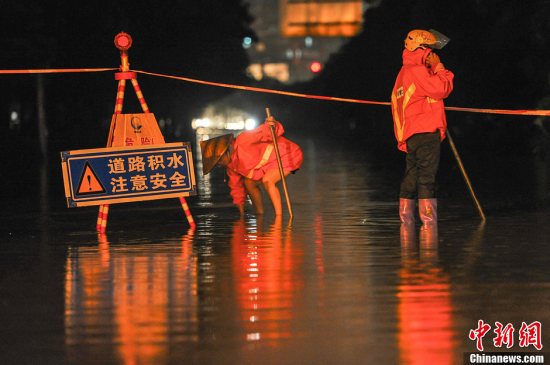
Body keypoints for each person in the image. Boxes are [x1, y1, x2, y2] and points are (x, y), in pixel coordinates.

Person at [391, 29, 454, 226]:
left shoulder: (403, 73)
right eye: (430, 49)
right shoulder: (418, 72)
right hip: (426, 132)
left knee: (412, 175)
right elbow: (442, 89)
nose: (433, 53)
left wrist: (402, 137)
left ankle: (406, 223)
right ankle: (429, 224)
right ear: (422, 48)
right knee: (426, 178)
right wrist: (439, 67)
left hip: (412, 134)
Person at [200, 116, 303, 216]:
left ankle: (278, 218)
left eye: (219, 160)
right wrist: (240, 209)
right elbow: (236, 186)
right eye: (217, 163)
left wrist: (271, 125)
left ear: (226, 152)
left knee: (268, 180)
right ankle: (259, 214)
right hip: (268, 165)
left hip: (287, 154)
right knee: (248, 183)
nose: (219, 164)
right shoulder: (231, 166)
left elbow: (264, 132)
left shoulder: (243, 140)